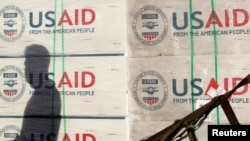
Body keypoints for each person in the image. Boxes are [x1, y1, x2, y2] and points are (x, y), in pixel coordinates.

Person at [15, 44, 61, 141]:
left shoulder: (45, 96)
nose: (25, 70)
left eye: (27, 66)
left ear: (38, 67)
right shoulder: (44, 92)